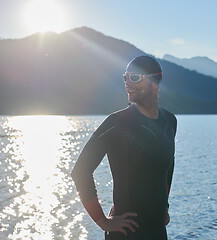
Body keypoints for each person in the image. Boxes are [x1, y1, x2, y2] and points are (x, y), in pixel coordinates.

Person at [71, 55, 177, 240]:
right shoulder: (117, 122)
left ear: (155, 80)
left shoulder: (169, 121)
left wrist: (164, 206)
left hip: (157, 230)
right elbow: (80, 171)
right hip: (126, 232)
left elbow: (168, 166)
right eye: (125, 77)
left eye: (134, 77)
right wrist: (103, 221)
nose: (127, 83)